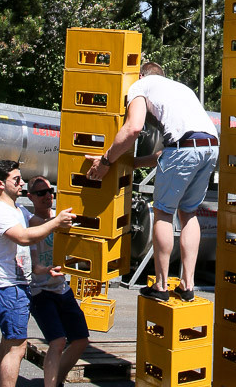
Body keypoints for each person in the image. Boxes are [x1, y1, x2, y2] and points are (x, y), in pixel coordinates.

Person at [85, 62, 218, 302]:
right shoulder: (180, 89)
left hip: (184, 147)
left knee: (163, 213)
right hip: (211, 146)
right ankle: (188, 285)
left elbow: (133, 128)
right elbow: (171, 153)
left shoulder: (140, 86)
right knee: (188, 212)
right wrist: (132, 163)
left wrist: (106, 162)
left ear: (141, 75)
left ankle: (161, 285)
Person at [0, 159, 73, 387]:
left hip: (16, 285)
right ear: (1, 184)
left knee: (5, 344)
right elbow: (24, 238)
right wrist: (56, 221)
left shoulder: (17, 209)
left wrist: (47, 267)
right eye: (16, 179)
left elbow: (36, 227)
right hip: (8, 288)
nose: (21, 183)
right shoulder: (0, 211)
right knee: (16, 347)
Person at [26, 175, 90, 387]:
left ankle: (55, 385)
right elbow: (32, 265)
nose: (46, 195)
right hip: (41, 290)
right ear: (30, 196)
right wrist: (46, 270)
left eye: (49, 190)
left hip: (61, 288)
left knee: (81, 339)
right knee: (57, 341)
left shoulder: (61, 215)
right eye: (40, 192)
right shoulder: (31, 223)